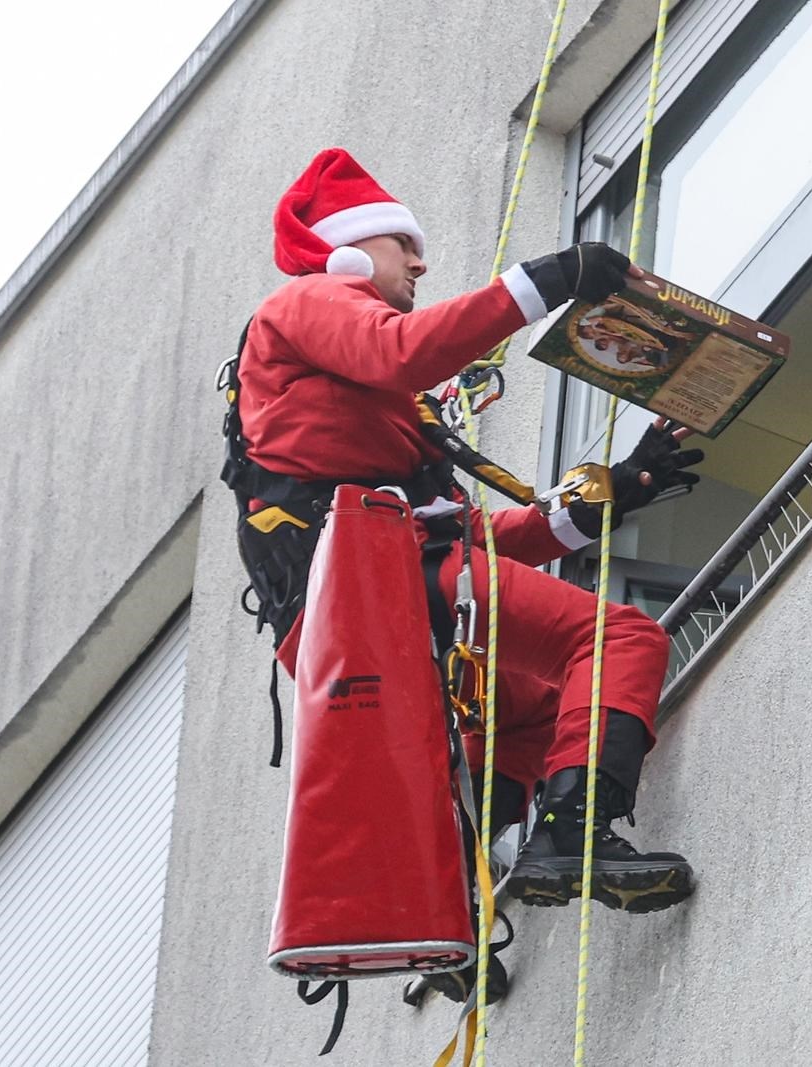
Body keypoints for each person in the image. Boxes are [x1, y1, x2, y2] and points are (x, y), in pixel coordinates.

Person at [228, 148, 703, 990]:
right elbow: (410, 353)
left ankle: (464, 882)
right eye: (400, 241)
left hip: (370, 595)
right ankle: (575, 830)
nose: (418, 259)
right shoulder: (305, 302)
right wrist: (549, 278)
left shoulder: (359, 419)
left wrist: (599, 503)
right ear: (343, 248)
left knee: (535, 709)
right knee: (617, 635)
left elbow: (464, 539)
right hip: (379, 584)